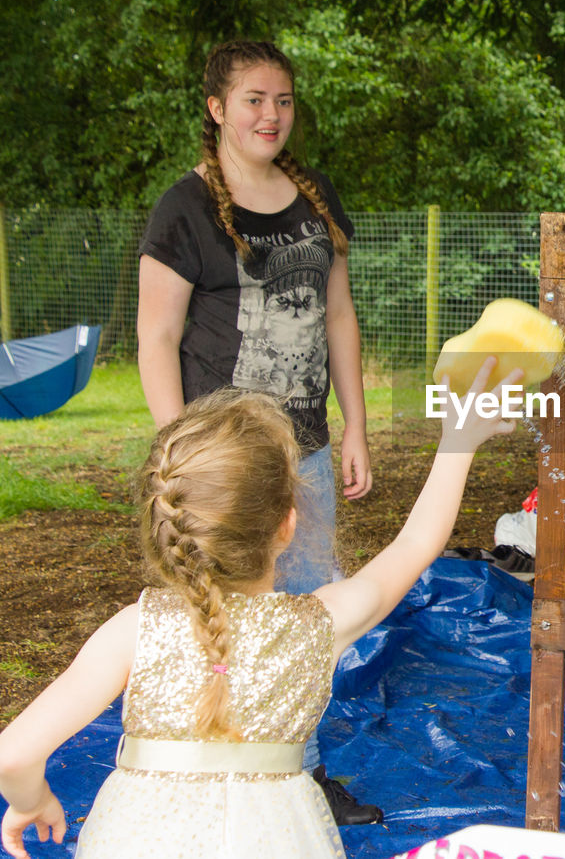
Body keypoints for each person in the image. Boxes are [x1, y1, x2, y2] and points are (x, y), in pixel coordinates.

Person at [0, 361, 520, 859]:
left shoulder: (135, 629)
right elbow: (415, 545)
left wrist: (29, 801)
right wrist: (458, 441)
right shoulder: (320, 624)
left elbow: (14, 755)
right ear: (287, 525)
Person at [135, 40, 377, 821]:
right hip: (225, 460)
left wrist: (354, 429)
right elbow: (154, 340)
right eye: (253, 100)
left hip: (301, 452)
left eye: (282, 101)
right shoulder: (185, 209)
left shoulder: (317, 199)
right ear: (217, 108)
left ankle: (299, 776)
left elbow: (339, 317)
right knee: (213, 616)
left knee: (305, 612)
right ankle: (201, 774)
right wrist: (182, 454)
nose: (270, 115)